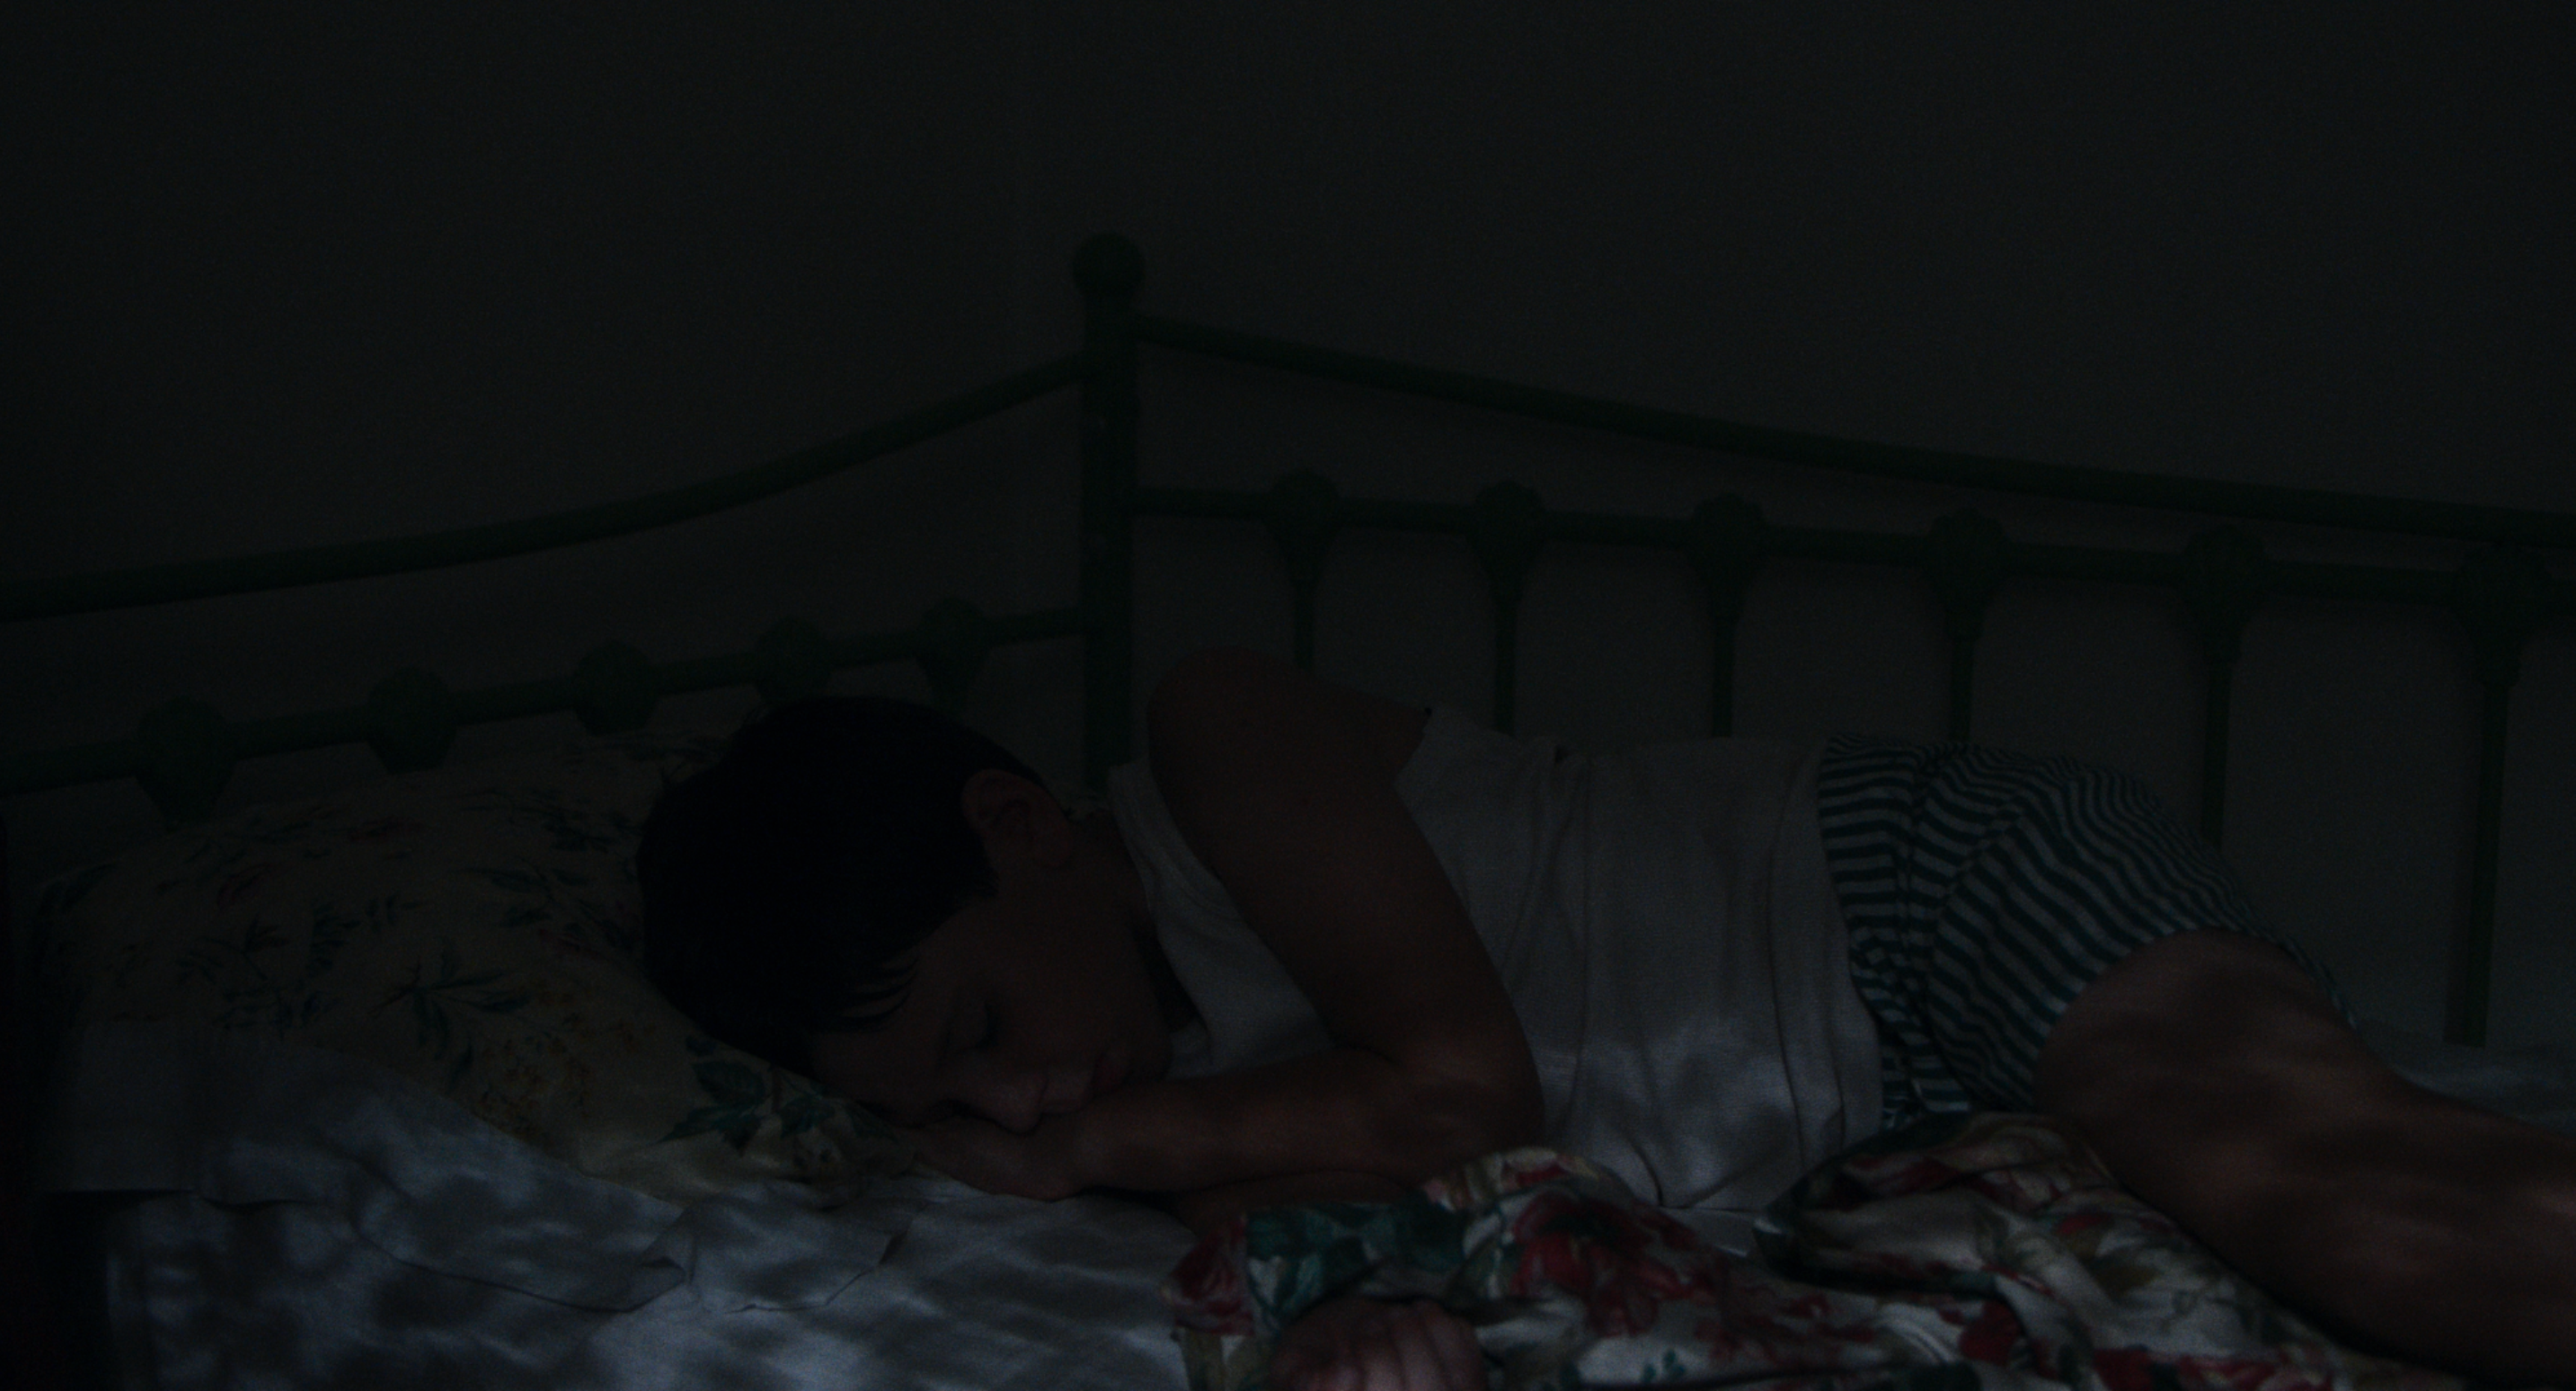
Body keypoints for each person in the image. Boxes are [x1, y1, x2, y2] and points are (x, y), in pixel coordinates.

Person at [636, 647, 2576, 1389]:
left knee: (2352, 1214)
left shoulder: (1215, 741)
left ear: (1021, 827)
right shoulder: (1186, 1099)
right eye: (955, 1103)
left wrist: (1082, 1149)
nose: (1016, 1096)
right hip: (1893, 1150)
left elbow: (1454, 1091)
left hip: (1911, 900)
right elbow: (1433, 1190)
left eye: (984, 1026)